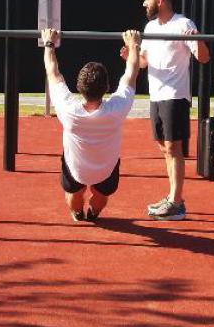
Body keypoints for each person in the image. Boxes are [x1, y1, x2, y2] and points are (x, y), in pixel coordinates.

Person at [42, 26, 141, 222]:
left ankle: (78, 214)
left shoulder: (68, 109)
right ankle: (93, 214)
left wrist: (49, 44)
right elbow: (131, 74)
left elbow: (52, 72)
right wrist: (134, 45)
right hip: (106, 169)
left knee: (74, 195)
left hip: (76, 169)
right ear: (106, 88)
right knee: (102, 196)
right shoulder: (116, 109)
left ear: (79, 87)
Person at [135, 0, 210, 220]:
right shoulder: (150, 27)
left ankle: (177, 203)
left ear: (160, 1)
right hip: (156, 95)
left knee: (172, 147)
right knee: (162, 146)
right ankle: (172, 197)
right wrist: (132, 55)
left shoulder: (183, 24)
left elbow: (204, 58)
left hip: (175, 95)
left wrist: (197, 39)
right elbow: (144, 62)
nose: (144, 3)